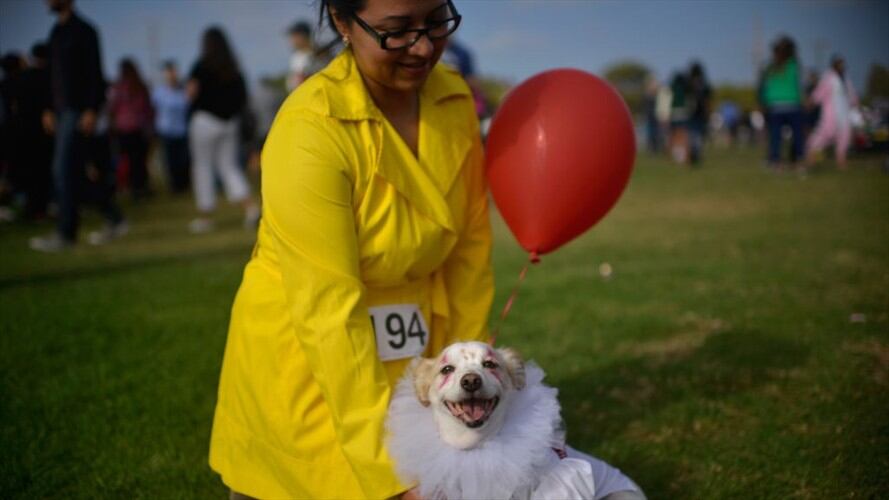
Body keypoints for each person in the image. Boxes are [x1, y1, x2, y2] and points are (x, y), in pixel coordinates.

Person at [207, 1, 646, 499]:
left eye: (436, 21)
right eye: (396, 31)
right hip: (309, 370)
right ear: (340, 21)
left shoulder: (454, 101)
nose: (422, 46)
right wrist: (393, 477)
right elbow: (328, 312)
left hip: (414, 367)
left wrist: (469, 380)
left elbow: (468, 261)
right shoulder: (309, 130)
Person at [30, 0, 126, 252]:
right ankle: (113, 216)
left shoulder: (84, 31)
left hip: (78, 109)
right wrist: (48, 108)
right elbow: (51, 76)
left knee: (62, 170)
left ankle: (66, 233)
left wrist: (92, 108)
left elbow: (95, 73)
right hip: (61, 111)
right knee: (73, 172)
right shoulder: (56, 33)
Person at [186, 27, 259, 233]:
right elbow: (243, 100)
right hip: (229, 124)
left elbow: (190, 93)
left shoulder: (200, 66)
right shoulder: (234, 68)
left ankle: (206, 216)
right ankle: (250, 209)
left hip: (205, 121)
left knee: (203, 167)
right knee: (229, 167)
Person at [109, 58, 154, 199]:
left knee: (126, 161)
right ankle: (140, 187)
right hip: (138, 129)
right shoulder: (140, 87)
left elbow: (112, 108)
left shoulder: (118, 88)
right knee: (139, 161)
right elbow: (148, 109)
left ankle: (129, 187)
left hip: (123, 129)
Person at [805, 55, 859, 170]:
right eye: (839, 64)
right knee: (821, 137)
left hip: (844, 116)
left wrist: (855, 103)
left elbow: (852, 96)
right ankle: (810, 159)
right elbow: (818, 93)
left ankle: (841, 162)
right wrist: (810, 103)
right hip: (831, 116)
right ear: (834, 65)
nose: (842, 67)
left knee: (844, 139)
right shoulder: (828, 78)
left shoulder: (845, 79)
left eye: (843, 64)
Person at [758, 36, 804, 169]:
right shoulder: (794, 64)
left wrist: (763, 101)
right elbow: (798, 84)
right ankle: (798, 158)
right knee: (797, 135)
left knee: (775, 136)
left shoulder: (771, 67)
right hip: (792, 104)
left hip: (775, 105)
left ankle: (775, 160)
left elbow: (764, 87)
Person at [152, 60, 190, 193]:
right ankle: (175, 186)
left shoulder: (183, 90)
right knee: (170, 161)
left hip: (182, 130)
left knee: (184, 160)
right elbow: (154, 110)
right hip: (166, 131)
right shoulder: (159, 92)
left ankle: (184, 184)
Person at [687, 61, 711, 165]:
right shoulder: (704, 84)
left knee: (693, 135)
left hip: (692, 113)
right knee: (698, 135)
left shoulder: (689, 84)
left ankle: (694, 154)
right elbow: (708, 100)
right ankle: (696, 153)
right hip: (700, 113)